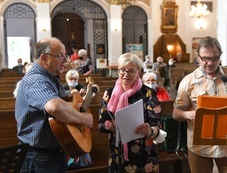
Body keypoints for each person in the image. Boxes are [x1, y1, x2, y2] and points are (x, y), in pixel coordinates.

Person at [172, 36, 227, 173]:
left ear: (220, 56)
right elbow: (176, 113)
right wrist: (187, 114)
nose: (210, 63)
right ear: (197, 57)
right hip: (199, 146)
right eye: (205, 58)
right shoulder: (188, 81)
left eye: (214, 58)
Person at [15, 37, 93, 172]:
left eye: (65, 55)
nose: (66, 59)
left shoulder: (51, 78)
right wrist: (83, 119)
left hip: (52, 154)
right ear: (44, 58)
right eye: (60, 56)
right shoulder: (36, 80)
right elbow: (54, 107)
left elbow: (63, 102)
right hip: (38, 157)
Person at [98, 53, 166, 172]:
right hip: (117, 153)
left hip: (144, 154)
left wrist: (150, 130)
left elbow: (157, 124)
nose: (125, 74)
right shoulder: (109, 93)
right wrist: (110, 125)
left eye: (131, 71)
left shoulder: (147, 93)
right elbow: (101, 125)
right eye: (122, 70)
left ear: (138, 72)